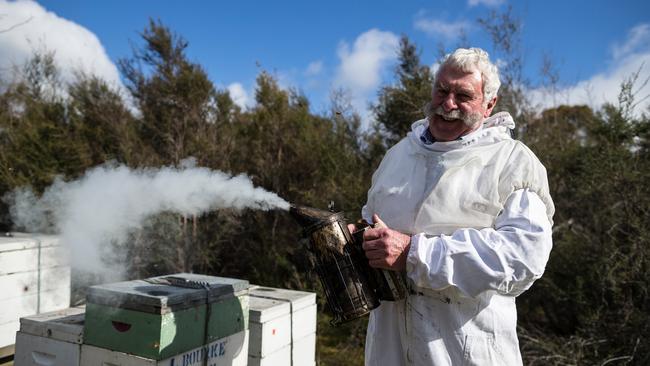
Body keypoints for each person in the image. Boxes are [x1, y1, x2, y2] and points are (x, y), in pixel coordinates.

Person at [351, 47, 555, 365]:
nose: (448, 104)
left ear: (489, 104)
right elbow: (372, 218)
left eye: (463, 95)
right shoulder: (398, 155)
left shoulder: (511, 162)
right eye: (442, 90)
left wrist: (413, 254)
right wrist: (358, 238)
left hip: (465, 352)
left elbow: (523, 256)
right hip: (388, 348)